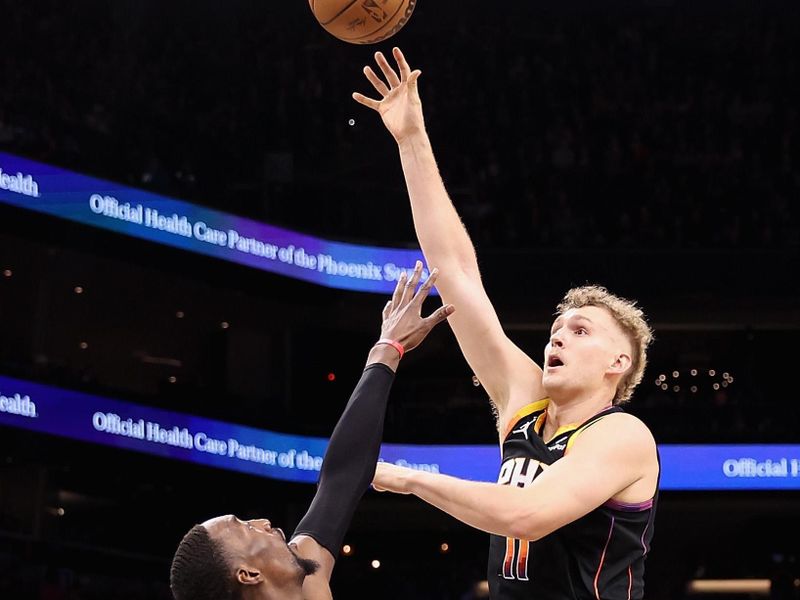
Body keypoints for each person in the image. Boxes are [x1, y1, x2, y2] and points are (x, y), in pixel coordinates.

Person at [354, 48, 660, 599]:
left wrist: (407, 477)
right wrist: (411, 140)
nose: (559, 335)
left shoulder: (623, 435)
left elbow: (528, 514)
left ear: (621, 363)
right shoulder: (526, 403)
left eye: (582, 330)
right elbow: (458, 275)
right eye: (558, 329)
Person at [169, 262, 454, 600]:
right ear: (248, 573)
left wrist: (387, 349)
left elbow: (341, 477)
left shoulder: (308, 585)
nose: (261, 521)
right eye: (245, 528)